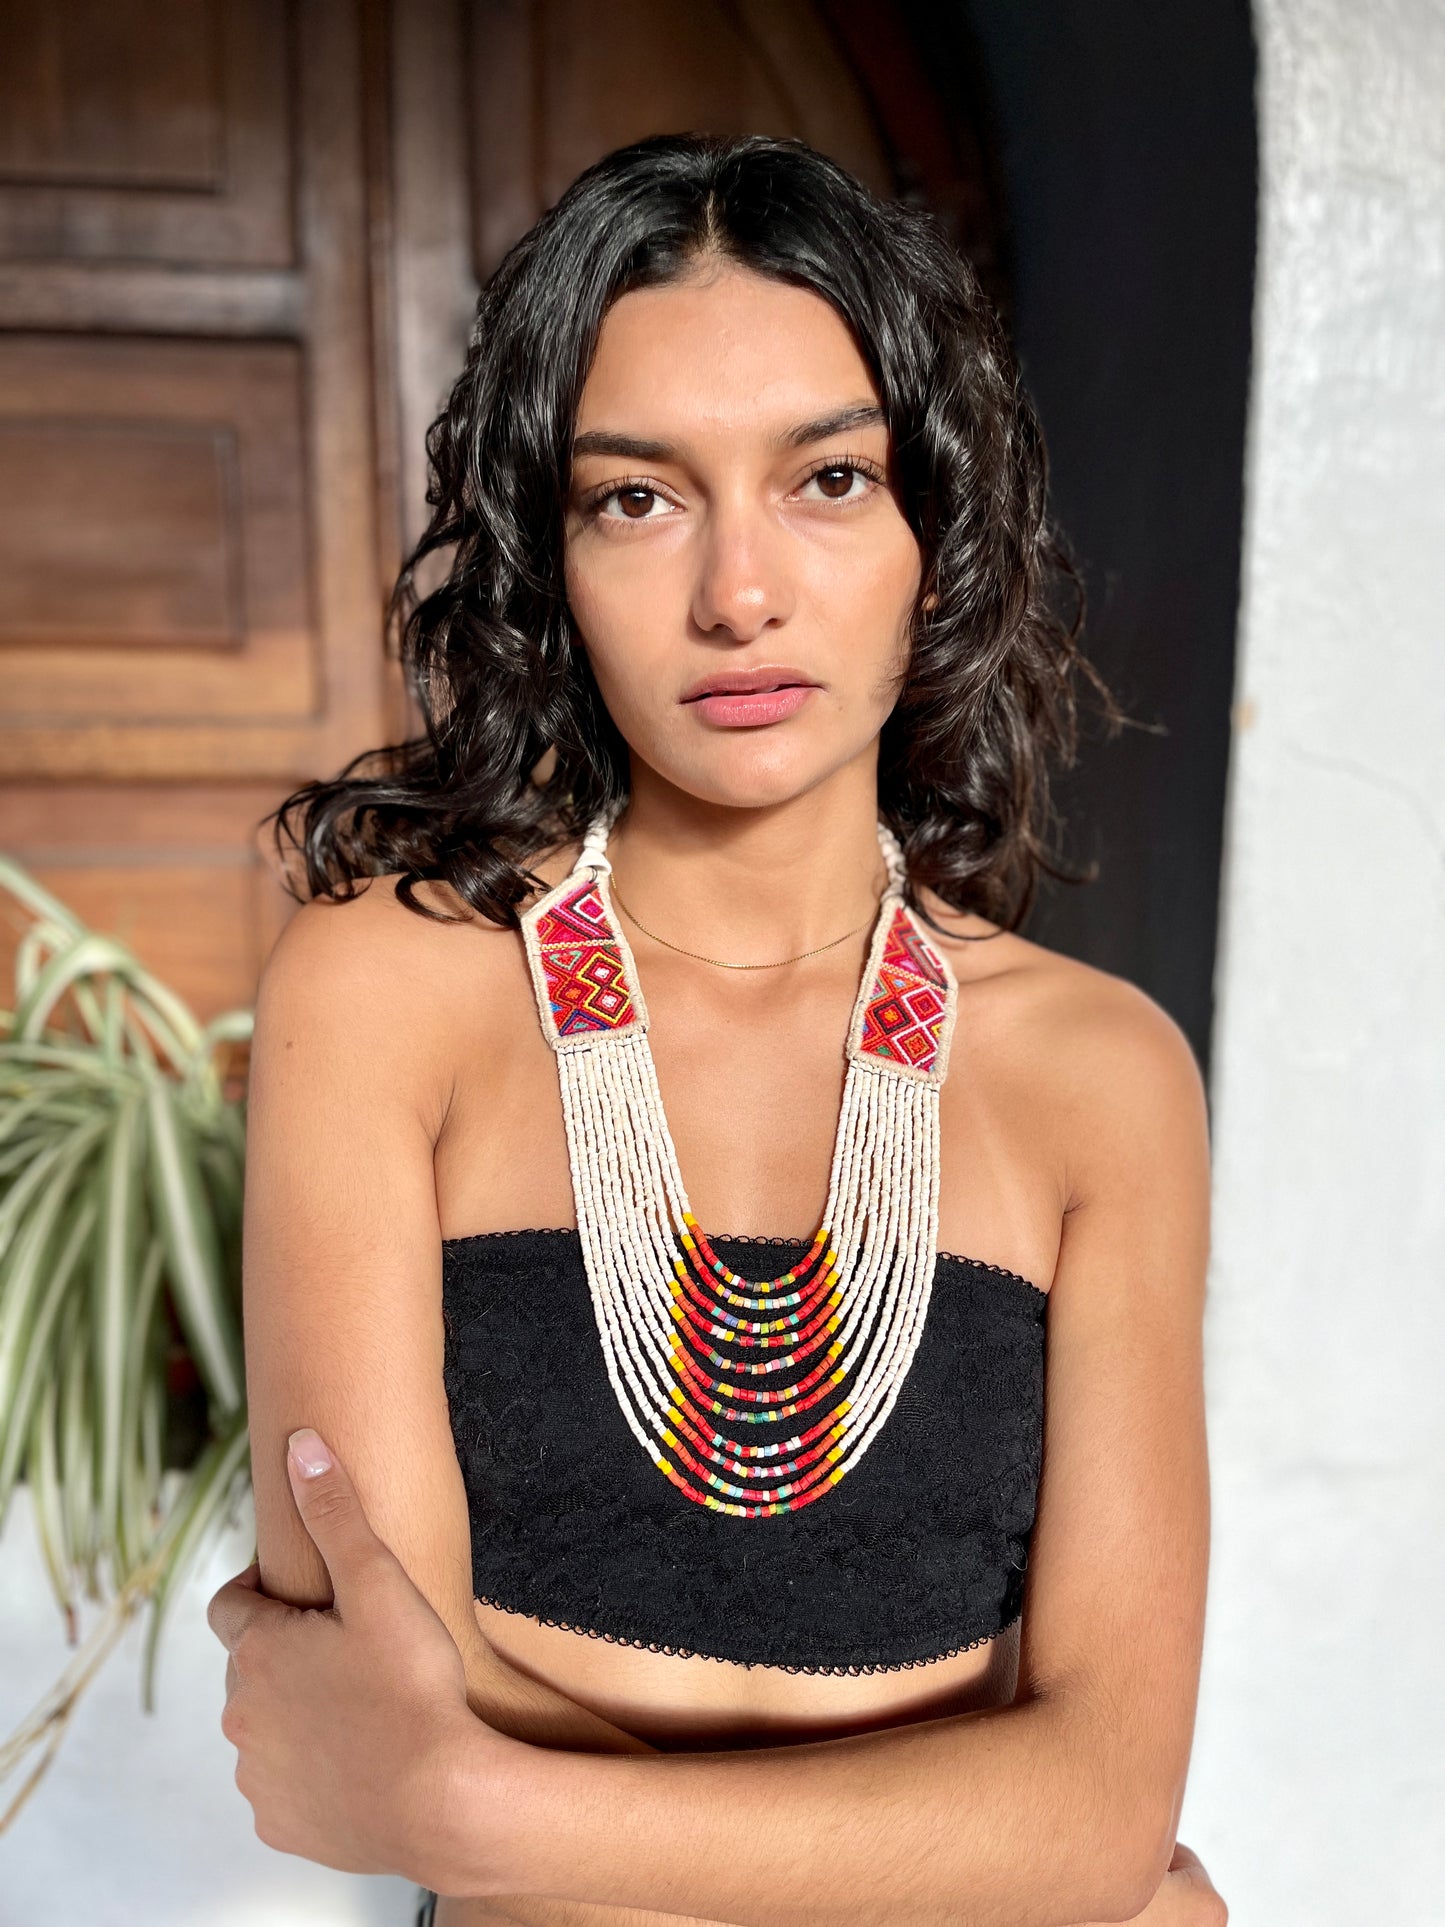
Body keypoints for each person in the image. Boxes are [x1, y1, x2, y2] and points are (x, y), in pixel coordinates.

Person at [208, 133, 1224, 1925]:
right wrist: (1000, 1854)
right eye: (636, 497)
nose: (736, 593)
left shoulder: (1101, 1077)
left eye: (827, 479)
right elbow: (376, 1702)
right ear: (548, 553)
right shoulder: (388, 993)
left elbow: (1095, 1801)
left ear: (938, 533)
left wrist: (478, 1806)